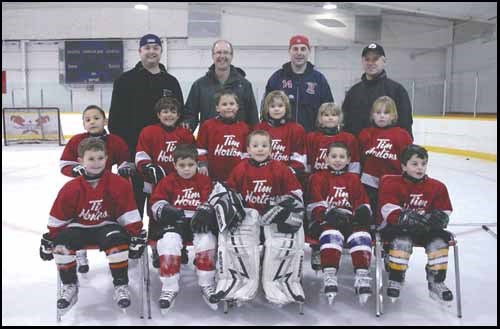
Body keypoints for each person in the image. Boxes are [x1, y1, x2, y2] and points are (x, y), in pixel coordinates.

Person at [39, 137, 145, 314]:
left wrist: (134, 233)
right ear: (80, 161)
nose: (96, 163)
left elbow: (127, 209)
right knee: (62, 245)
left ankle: (121, 285)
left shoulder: (119, 183)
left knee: (117, 243)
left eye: (100, 158)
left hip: (107, 226)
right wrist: (52, 237)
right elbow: (59, 214)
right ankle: (70, 285)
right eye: (91, 159)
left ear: (106, 158)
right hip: (79, 227)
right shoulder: (71, 187)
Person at [225, 130, 306, 306]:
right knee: (239, 245)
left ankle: (282, 282)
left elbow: (296, 193)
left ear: (271, 149)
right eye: (255, 146)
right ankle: (240, 282)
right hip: (249, 218)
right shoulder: (241, 168)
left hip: (273, 219)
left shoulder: (280, 168)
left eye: (264, 146)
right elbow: (229, 192)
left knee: (282, 245)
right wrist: (234, 208)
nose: (260, 149)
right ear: (248, 149)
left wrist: (284, 207)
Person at [108, 33, 184, 218]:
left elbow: (179, 117)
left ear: (161, 51)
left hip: (163, 158)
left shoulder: (171, 82)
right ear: (140, 51)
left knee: (162, 208)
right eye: (147, 48)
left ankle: (160, 244)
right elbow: (115, 121)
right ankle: (134, 244)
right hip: (133, 156)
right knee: (132, 207)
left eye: (155, 48)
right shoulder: (125, 80)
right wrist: (127, 155)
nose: (152, 52)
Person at [59, 105, 133, 274]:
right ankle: (80, 252)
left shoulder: (115, 141)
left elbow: (124, 161)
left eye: (96, 118)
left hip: (106, 189)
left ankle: (116, 249)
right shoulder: (76, 140)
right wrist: (75, 169)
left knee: (104, 218)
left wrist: (123, 170)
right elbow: (64, 164)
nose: (92, 122)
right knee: (78, 219)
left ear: (105, 120)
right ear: (84, 124)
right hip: (82, 191)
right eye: (88, 119)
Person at [377, 144, 454, 304]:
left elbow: (444, 212)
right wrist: (410, 219)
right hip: (400, 229)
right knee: (401, 243)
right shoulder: (391, 183)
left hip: (425, 230)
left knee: (439, 243)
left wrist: (435, 219)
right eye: (414, 164)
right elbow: (388, 210)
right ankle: (396, 278)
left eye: (423, 163)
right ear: (403, 166)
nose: (420, 168)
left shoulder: (437, 186)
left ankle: (436, 281)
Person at [148, 144, 218, 311]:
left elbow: (213, 200)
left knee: (207, 240)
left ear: (197, 164)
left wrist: (206, 211)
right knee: (168, 242)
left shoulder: (204, 181)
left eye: (191, 165)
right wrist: (166, 210)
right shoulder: (168, 181)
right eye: (182, 165)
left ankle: (206, 283)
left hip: (197, 222)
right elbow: (155, 203)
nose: (186, 169)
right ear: (174, 165)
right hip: (175, 223)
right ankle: (169, 287)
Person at [307, 142, 373, 305]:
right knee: (332, 235)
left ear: (348, 159)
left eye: (342, 157)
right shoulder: (317, 177)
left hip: (350, 220)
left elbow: (362, 202)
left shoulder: (353, 179)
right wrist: (326, 214)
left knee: (361, 236)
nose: (337, 160)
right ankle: (329, 275)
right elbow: (314, 203)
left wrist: (362, 212)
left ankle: (362, 275)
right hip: (328, 221)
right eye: (333, 156)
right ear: (326, 158)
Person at [135, 96, 195, 268]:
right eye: (165, 111)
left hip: (180, 183)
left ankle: (180, 246)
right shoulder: (149, 131)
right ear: (158, 114)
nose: (169, 115)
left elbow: (192, 155)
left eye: (173, 112)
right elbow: (141, 153)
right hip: (155, 184)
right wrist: (147, 167)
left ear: (178, 115)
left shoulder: (184, 134)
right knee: (155, 216)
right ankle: (156, 248)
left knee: (179, 214)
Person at [182, 39, 259, 132]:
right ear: (212, 56)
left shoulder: (245, 85)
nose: (222, 56)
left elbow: (253, 118)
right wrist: (187, 129)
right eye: (218, 52)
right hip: (209, 142)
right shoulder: (199, 85)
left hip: (238, 143)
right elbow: (190, 115)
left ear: (231, 56)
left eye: (226, 52)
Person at [264, 35, 334, 133]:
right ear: (289, 51)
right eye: (295, 49)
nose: (299, 53)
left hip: (311, 137)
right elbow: (265, 108)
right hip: (283, 137)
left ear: (308, 51)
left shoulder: (319, 80)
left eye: (303, 49)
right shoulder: (277, 78)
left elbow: (329, 109)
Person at [342, 42, 413, 138]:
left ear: (384, 61)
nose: (371, 63)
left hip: (386, 150)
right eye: (367, 59)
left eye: (375, 59)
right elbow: (345, 125)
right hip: (358, 150)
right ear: (362, 61)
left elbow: (405, 125)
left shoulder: (397, 90)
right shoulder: (353, 92)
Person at [358, 96, 413, 214]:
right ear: (372, 115)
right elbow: (361, 158)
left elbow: (407, 159)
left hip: (393, 181)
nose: (382, 116)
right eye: (378, 112)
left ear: (393, 115)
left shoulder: (402, 135)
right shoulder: (365, 134)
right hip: (369, 182)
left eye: (386, 113)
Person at [196, 90, 250, 183]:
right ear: (217, 108)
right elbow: (201, 149)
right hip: (213, 177)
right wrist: (202, 164)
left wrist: (244, 170)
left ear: (237, 107)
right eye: (224, 104)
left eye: (232, 104)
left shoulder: (244, 127)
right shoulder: (208, 125)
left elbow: (246, 152)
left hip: (236, 178)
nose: (228, 107)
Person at [253, 90, 306, 175]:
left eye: (280, 106)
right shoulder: (259, 128)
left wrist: (285, 172)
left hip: (288, 176)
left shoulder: (296, 129)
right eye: (272, 106)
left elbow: (300, 159)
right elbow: (253, 154)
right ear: (267, 109)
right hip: (263, 174)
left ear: (286, 107)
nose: (276, 109)